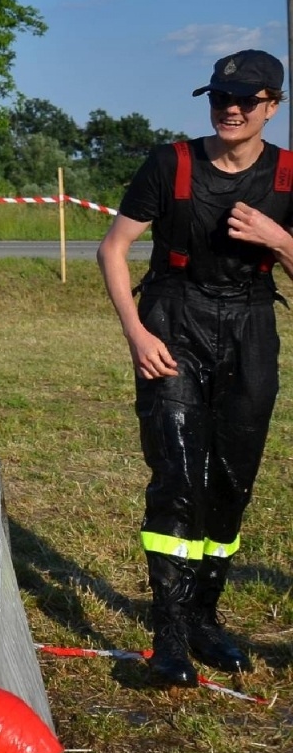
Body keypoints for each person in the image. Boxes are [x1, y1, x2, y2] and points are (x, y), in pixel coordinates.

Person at [96, 48, 290, 687]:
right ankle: (170, 638)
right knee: (178, 475)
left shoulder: (288, 176)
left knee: (231, 481)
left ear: (272, 105)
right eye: (219, 98)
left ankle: (205, 618)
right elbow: (114, 248)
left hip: (251, 327)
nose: (230, 109)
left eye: (246, 100)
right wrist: (136, 333)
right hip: (174, 320)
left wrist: (279, 239)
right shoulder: (171, 162)